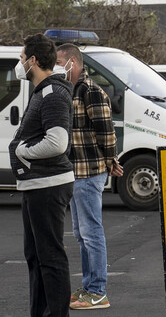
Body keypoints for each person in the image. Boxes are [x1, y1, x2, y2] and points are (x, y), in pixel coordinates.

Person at [9, 34, 75, 317]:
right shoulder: (43, 90)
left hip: (48, 186)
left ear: (34, 61)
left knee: (50, 258)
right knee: (36, 257)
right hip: (36, 185)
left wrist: (23, 150)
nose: (20, 64)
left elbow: (57, 142)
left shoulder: (53, 93)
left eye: (22, 59)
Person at [55, 44, 124, 310]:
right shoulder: (69, 89)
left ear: (73, 61)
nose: (57, 65)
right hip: (75, 173)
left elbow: (106, 131)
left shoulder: (90, 91)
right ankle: (88, 287)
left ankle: (97, 291)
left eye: (60, 61)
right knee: (82, 234)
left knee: (91, 233)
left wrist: (111, 160)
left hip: (87, 172)